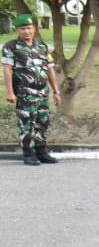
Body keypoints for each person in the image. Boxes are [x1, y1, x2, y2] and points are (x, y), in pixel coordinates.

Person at [3, 13, 61, 165]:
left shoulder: (42, 47)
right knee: (27, 123)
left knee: (43, 122)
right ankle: (28, 153)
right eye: (23, 29)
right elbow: (8, 69)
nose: (26, 31)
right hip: (24, 93)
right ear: (18, 30)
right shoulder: (11, 47)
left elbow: (50, 70)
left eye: (29, 28)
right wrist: (10, 92)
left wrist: (56, 91)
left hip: (42, 93)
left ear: (34, 28)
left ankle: (42, 152)